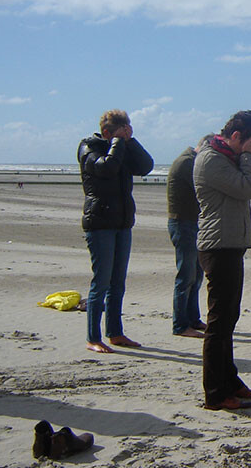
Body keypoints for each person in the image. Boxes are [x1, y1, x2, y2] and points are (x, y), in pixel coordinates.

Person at [194, 110, 251, 410]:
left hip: (230, 244)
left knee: (228, 320)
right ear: (236, 137)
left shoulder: (224, 156)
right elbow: (249, 189)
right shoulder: (212, 160)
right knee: (219, 322)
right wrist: (248, 156)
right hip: (218, 245)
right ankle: (215, 393)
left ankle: (230, 381)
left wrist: (245, 154)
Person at [78, 109, 154, 353]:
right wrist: (119, 143)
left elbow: (145, 166)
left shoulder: (121, 149)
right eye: (119, 131)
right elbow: (107, 168)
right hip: (99, 222)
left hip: (122, 222)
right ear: (107, 132)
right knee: (101, 281)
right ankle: (93, 337)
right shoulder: (89, 148)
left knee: (117, 282)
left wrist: (131, 142)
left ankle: (115, 332)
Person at [166, 134, 214, 338]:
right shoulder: (187, 163)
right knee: (185, 276)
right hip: (182, 223)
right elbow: (204, 188)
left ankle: (193, 318)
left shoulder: (191, 161)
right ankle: (180, 324)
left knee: (196, 275)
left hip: (191, 223)